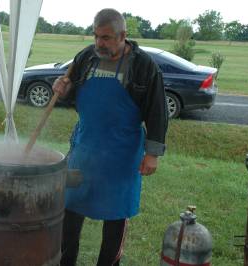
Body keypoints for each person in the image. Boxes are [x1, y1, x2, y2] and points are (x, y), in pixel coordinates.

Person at [52, 8, 168, 266]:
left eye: (105, 38)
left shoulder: (143, 66)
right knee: (70, 210)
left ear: (122, 35)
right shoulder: (85, 58)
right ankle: (65, 262)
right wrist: (63, 89)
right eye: (95, 36)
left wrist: (152, 154)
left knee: (115, 217)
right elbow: (71, 92)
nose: (98, 43)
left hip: (122, 154)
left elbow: (157, 111)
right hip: (84, 148)